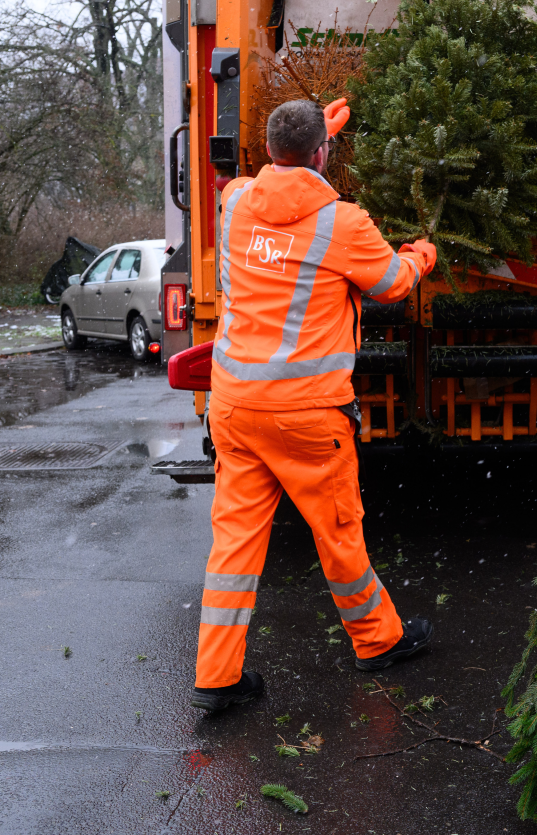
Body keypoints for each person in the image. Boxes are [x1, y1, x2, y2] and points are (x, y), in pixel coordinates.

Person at [190, 99, 438, 712]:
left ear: (270, 151)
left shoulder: (236, 204)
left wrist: (310, 133)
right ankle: (378, 641)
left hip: (235, 405)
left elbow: (265, 176)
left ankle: (216, 677)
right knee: (338, 533)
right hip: (306, 415)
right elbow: (392, 285)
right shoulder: (343, 224)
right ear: (324, 155)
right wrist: (421, 256)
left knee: (235, 545)